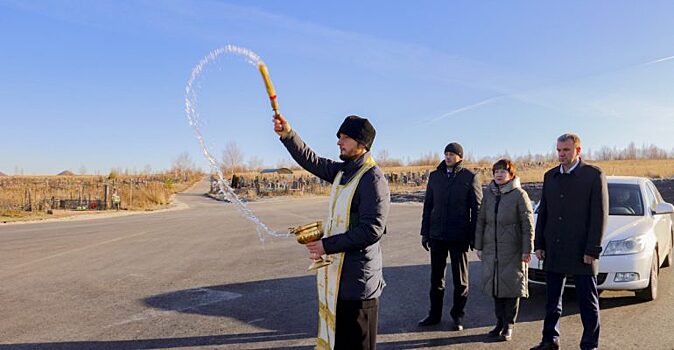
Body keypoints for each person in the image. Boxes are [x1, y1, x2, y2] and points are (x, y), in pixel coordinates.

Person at [273, 113, 390, 350]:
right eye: (339, 137)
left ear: (362, 144)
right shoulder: (343, 172)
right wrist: (288, 134)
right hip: (339, 279)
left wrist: (326, 245)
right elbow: (312, 160)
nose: (339, 141)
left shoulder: (372, 179)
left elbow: (372, 230)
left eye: (345, 137)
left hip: (359, 284)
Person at [530, 133, 608, 350]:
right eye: (559, 150)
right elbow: (543, 212)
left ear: (578, 151)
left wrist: (592, 248)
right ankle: (549, 340)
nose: (561, 154)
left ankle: (590, 345)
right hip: (554, 247)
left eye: (566, 150)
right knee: (552, 301)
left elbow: (599, 215)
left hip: (582, 250)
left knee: (587, 302)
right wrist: (539, 244)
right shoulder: (550, 176)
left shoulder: (593, 175)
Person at [418, 142, 482, 331]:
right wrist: (425, 232)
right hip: (437, 234)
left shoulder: (470, 177)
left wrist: (473, 236)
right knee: (436, 279)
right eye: (446, 153)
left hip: (459, 236)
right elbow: (428, 206)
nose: (448, 157)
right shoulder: (435, 176)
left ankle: (458, 316)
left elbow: (476, 209)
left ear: (460, 157)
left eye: (452, 154)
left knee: (460, 280)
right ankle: (434, 315)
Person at [474, 159, 534, 341]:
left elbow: (528, 224)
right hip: (492, 249)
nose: (499, 174)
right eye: (496, 171)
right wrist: (479, 246)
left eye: (503, 171)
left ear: (511, 174)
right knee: (495, 288)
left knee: (512, 288)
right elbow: (481, 221)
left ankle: (509, 325)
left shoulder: (519, 195)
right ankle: (499, 323)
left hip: (513, 250)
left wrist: (527, 249)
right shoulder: (489, 194)